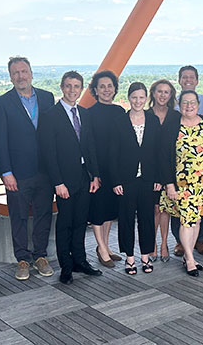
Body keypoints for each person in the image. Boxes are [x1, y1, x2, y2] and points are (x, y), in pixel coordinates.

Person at [0, 56, 56, 281]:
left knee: (43, 214)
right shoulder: (1, 103)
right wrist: (6, 172)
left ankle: (40, 256)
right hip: (17, 174)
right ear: (10, 77)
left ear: (31, 73)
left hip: (46, 171)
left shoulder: (47, 98)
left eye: (24, 71)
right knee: (18, 216)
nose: (20, 76)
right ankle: (22, 259)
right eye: (16, 72)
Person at [41, 71, 102, 285]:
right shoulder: (50, 116)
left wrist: (95, 175)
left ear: (81, 88)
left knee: (80, 223)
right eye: (68, 86)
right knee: (65, 224)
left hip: (85, 178)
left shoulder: (85, 114)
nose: (72, 90)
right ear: (62, 87)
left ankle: (80, 261)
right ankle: (66, 267)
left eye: (76, 86)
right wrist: (58, 182)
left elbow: (91, 147)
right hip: (64, 181)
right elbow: (48, 153)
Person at [160, 90, 203, 277]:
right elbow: (164, 158)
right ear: (179, 104)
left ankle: (189, 255)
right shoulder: (171, 126)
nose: (189, 106)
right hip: (182, 184)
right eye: (185, 102)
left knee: (198, 220)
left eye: (192, 102)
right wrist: (169, 184)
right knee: (187, 221)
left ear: (198, 104)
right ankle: (190, 259)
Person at [112, 82, 162, 275]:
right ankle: (130, 258)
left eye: (141, 97)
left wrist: (159, 177)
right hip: (126, 179)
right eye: (134, 97)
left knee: (147, 218)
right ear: (128, 98)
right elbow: (112, 154)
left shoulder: (153, 120)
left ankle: (145, 257)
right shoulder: (119, 122)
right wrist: (115, 181)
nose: (138, 101)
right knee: (126, 219)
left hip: (148, 178)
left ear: (146, 98)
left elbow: (158, 152)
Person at [87, 70, 126, 268]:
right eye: (101, 86)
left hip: (115, 169)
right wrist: (94, 173)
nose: (106, 90)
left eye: (109, 86)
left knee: (110, 209)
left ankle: (107, 246)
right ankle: (101, 248)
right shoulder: (89, 113)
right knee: (97, 209)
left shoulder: (120, 112)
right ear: (95, 89)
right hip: (98, 169)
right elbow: (89, 146)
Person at [146, 79, 185, 261]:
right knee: (154, 209)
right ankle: (152, 245)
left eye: (166, 92)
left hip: (171, 169)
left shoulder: (176, 117)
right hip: (150, 170)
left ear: (171, 96)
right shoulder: (145, 115)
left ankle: (164, 244)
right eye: (159, 91)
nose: (162, 95)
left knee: (166, 209)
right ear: (153, 93)